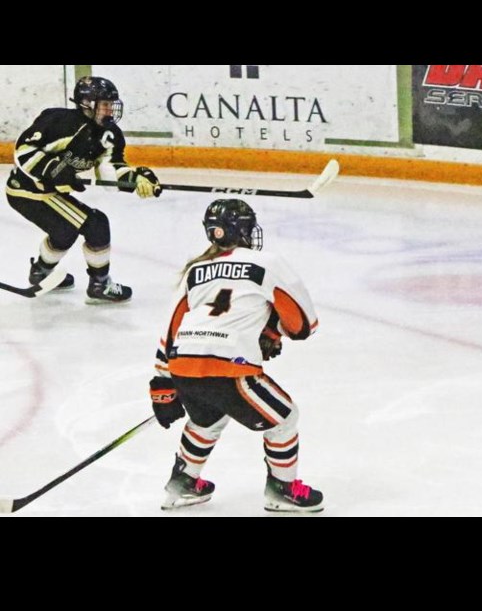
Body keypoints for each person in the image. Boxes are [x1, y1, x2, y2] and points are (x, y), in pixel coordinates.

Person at [148, 198, 324, 512]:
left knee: (207, 419)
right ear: (244, 229)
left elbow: (172, 327)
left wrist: (162, 385)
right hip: (229, 367)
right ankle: (282, 490)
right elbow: (302, 326)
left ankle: (183, 483)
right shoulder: (268, 262)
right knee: (284, 418)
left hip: (182, 364)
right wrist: (273, 331)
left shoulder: (196, 269)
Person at [5, 75, 162, 303]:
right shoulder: (60, 122)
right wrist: (54, 172)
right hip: (28, 190)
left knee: (64, 233)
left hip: (48, 193)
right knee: (96, 224)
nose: (109, 110)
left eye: (111, 105)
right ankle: (100, 284)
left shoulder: (110, 135)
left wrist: (135, 179)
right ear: (87, 104)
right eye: (105, 105)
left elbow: (110, 172)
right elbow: (24, 151)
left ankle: (41, 271)